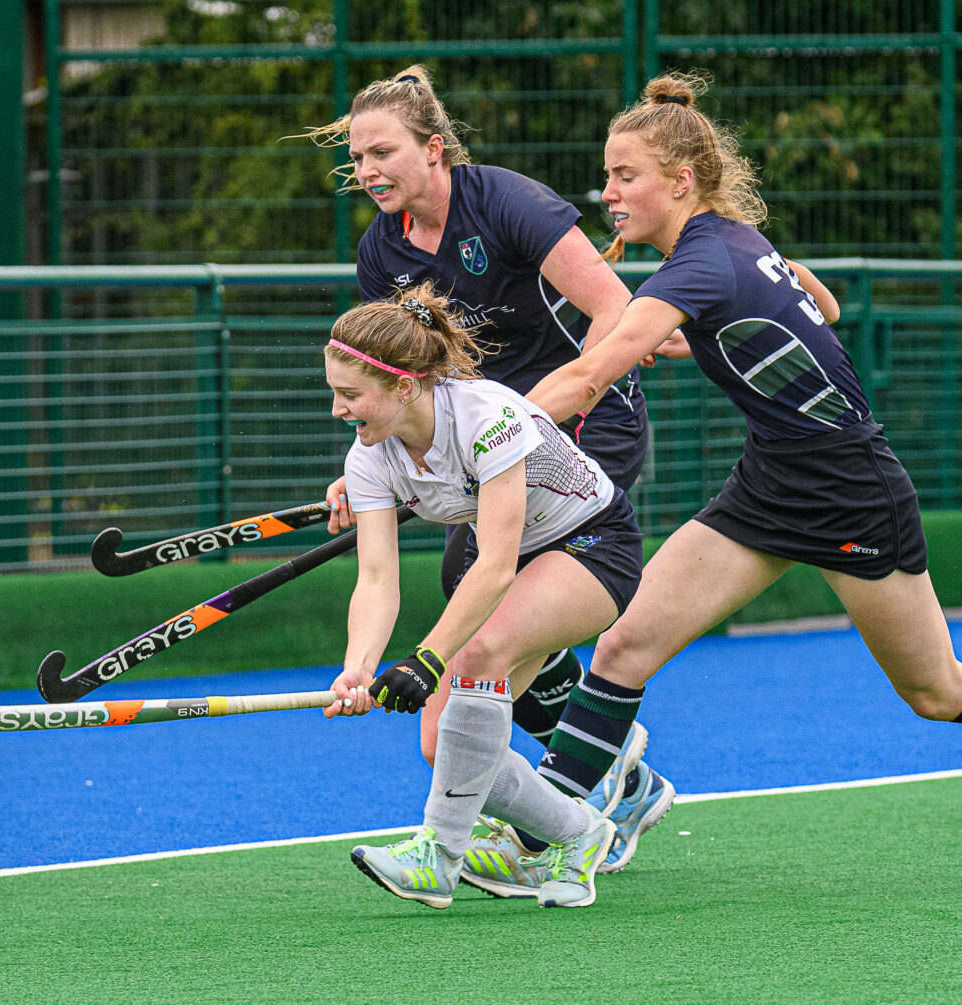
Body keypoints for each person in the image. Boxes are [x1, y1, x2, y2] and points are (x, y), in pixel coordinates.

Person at [522, 71, 962, 795]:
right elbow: (822, 305)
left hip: (849, 488)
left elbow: (591, 374)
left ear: (681, 181)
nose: (609, 194)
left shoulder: (701, 262)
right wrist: (706, 334)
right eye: (608, 176)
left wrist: (491, 436)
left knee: (937, 693)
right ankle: (548, 832)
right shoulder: (730, 241)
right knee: (624, 645)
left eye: (626, 176)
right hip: (769, 483)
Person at [301, 65, 678, 887]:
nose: (365, 171)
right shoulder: (381, 250)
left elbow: (613, 310)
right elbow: (388, 378)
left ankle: (563, 803)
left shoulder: (507, 203)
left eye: (381, 152)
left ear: (434, 149)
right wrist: (375, 454)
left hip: (585, 419)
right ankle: (609, 766)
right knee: (474, 608)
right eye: (356, 159)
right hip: (487, 438)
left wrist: (529, 423)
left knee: (493, 620)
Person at [322, 283, 643, 910]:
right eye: (334, 393)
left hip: (591, 544)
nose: (338, 409)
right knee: (446, 748)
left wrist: (427, 658)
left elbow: (495, 565)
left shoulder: (485, 415)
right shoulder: (369, 459)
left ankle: (437, 858)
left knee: (476, 657)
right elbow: (377, 580)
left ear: (404, 386)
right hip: (514, 557)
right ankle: (580, 834)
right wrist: (358, 667)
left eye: (350, 395)